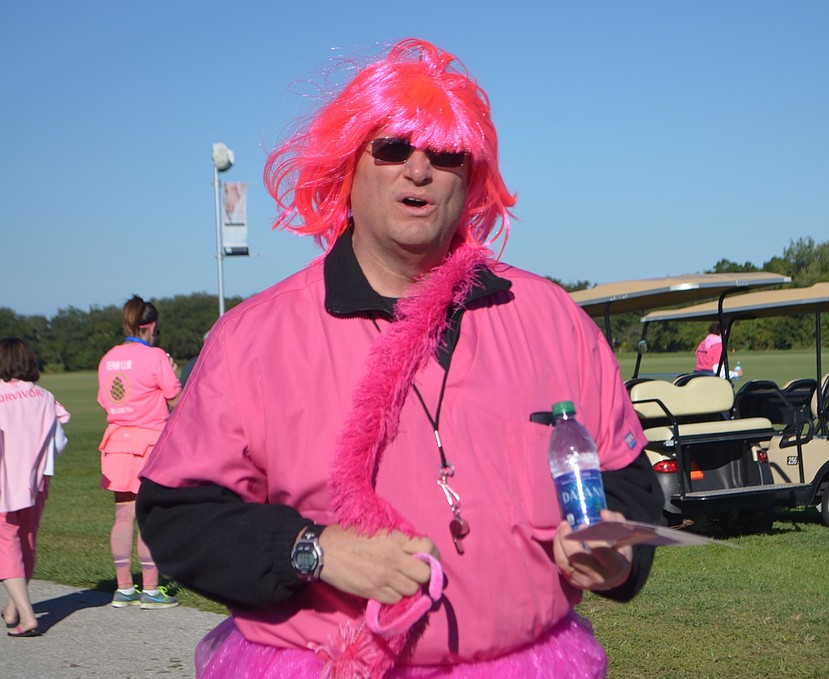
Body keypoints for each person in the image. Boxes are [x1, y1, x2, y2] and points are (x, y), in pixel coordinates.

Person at [137, 38, 663, 678]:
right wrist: (313, 550)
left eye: (445, 155)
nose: (419, 171)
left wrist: (618, 552)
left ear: (470, 178)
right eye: (392, 149)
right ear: (345, 168)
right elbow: (179, 516)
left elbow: (628, 481)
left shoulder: (553, 319)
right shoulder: (254, 338)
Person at [96, 295, 182, 609]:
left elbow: (105, 401)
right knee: (148, 518)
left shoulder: (108, 358)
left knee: (122, 516)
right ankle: (150, 590)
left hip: (116, 443)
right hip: (149, 445)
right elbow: (177, 401)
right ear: (152, 326)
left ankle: (123, 589)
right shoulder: (156, 356)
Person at [0, 337, 70, 637]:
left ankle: (27, 616)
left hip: (4, 480)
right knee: (27, 542)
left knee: (6, 543)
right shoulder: (45, 396)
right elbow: (59, 441)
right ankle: (14, 609)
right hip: (37, 480)